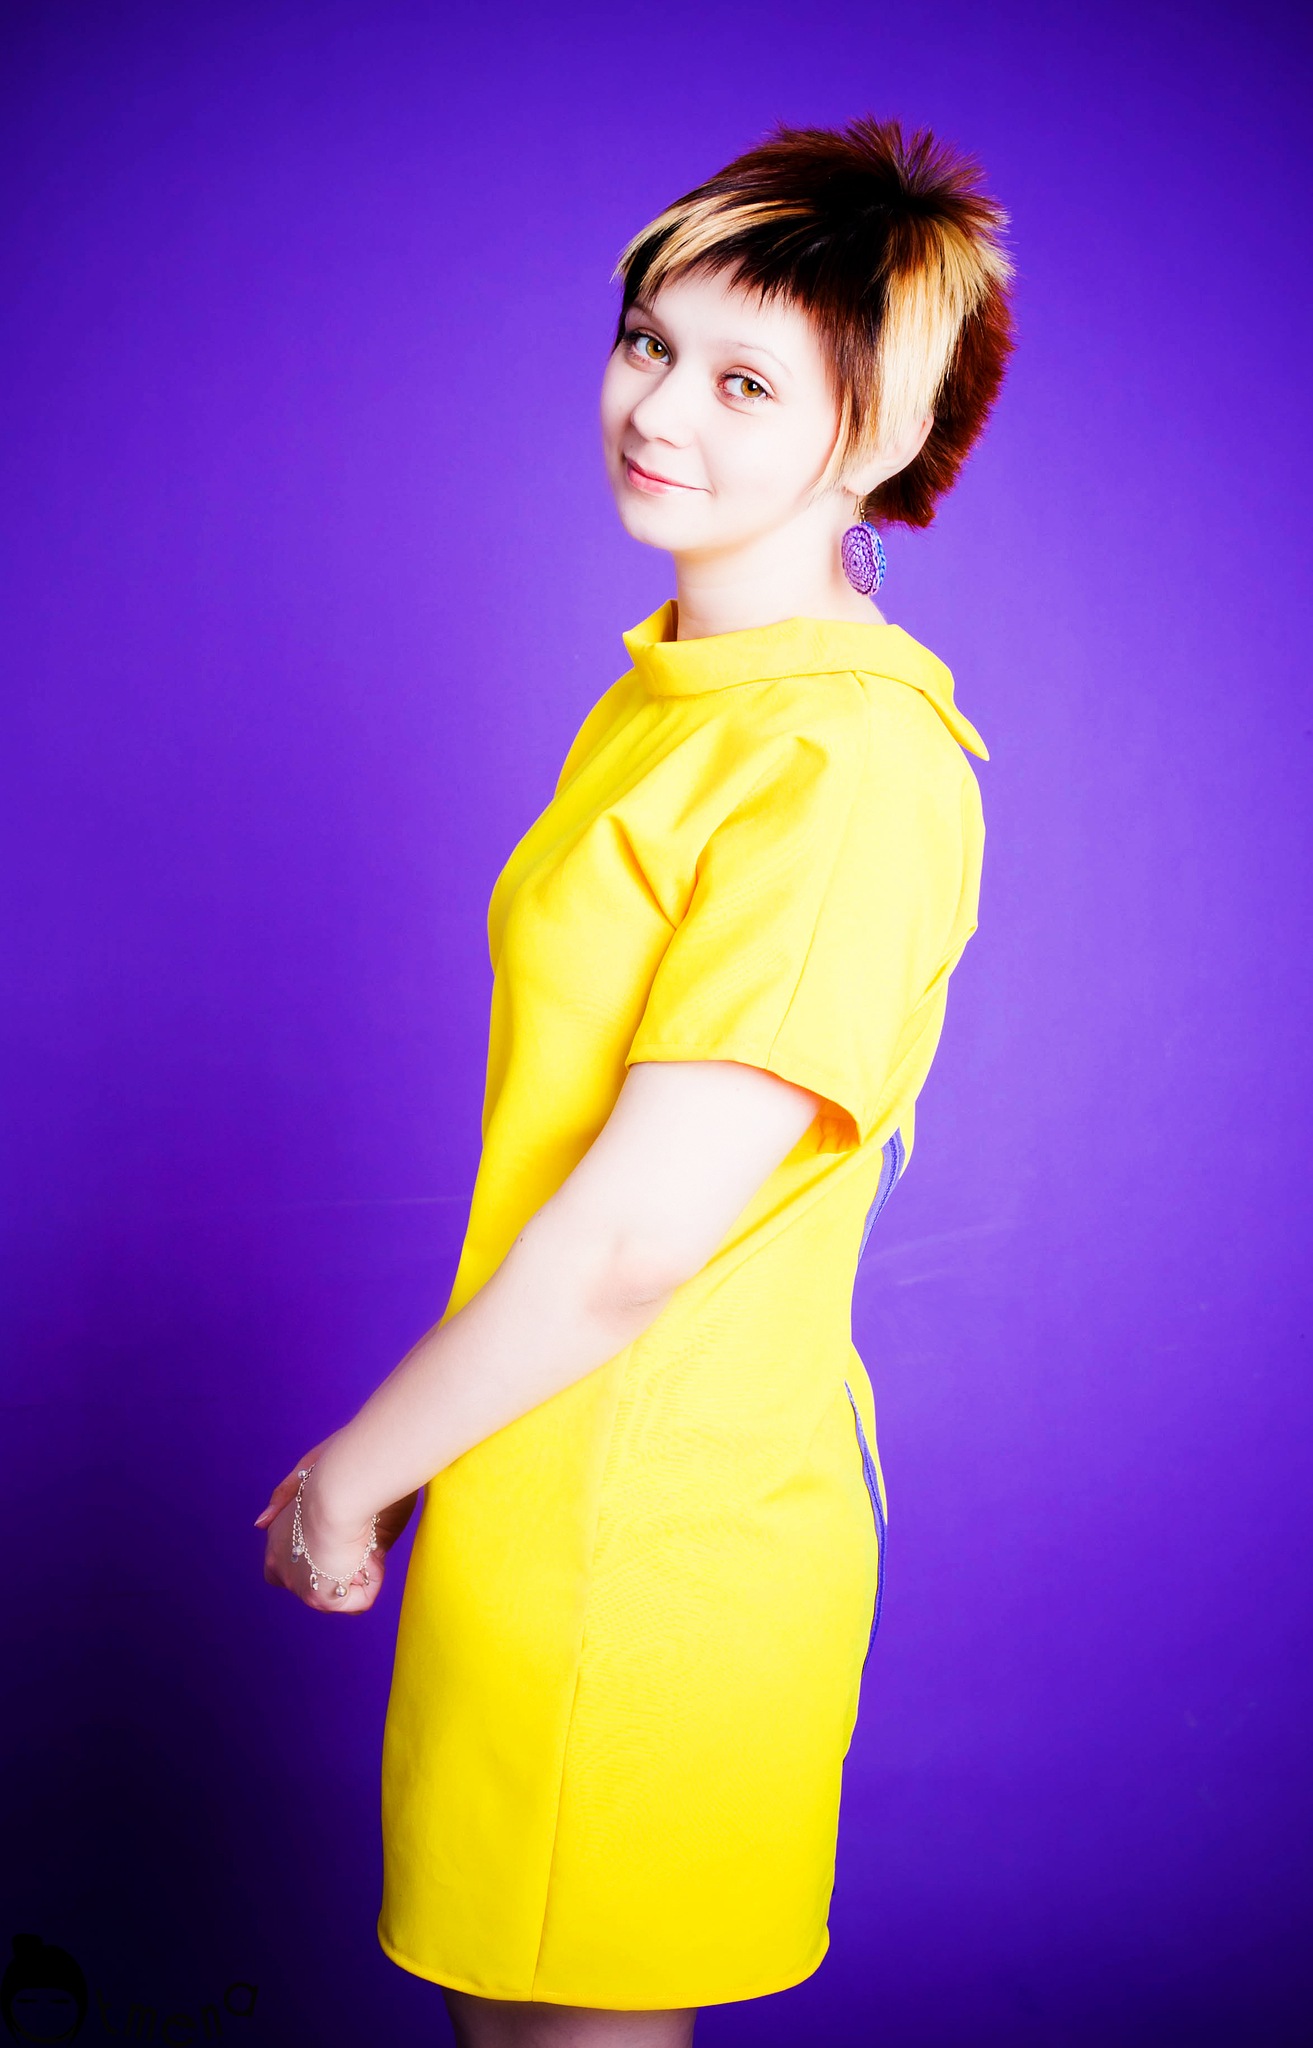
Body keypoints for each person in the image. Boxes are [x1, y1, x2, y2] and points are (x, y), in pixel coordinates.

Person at [256, 114, 1014, 2048]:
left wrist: (356, 1472)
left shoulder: (842, 764)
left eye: (746, 380)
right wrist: (436, 1463)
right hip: (531, 1487)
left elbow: (635, 1239)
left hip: (653, 1545)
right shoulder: (674, 692)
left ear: (876, 438)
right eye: (647, 342)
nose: (656, 406)